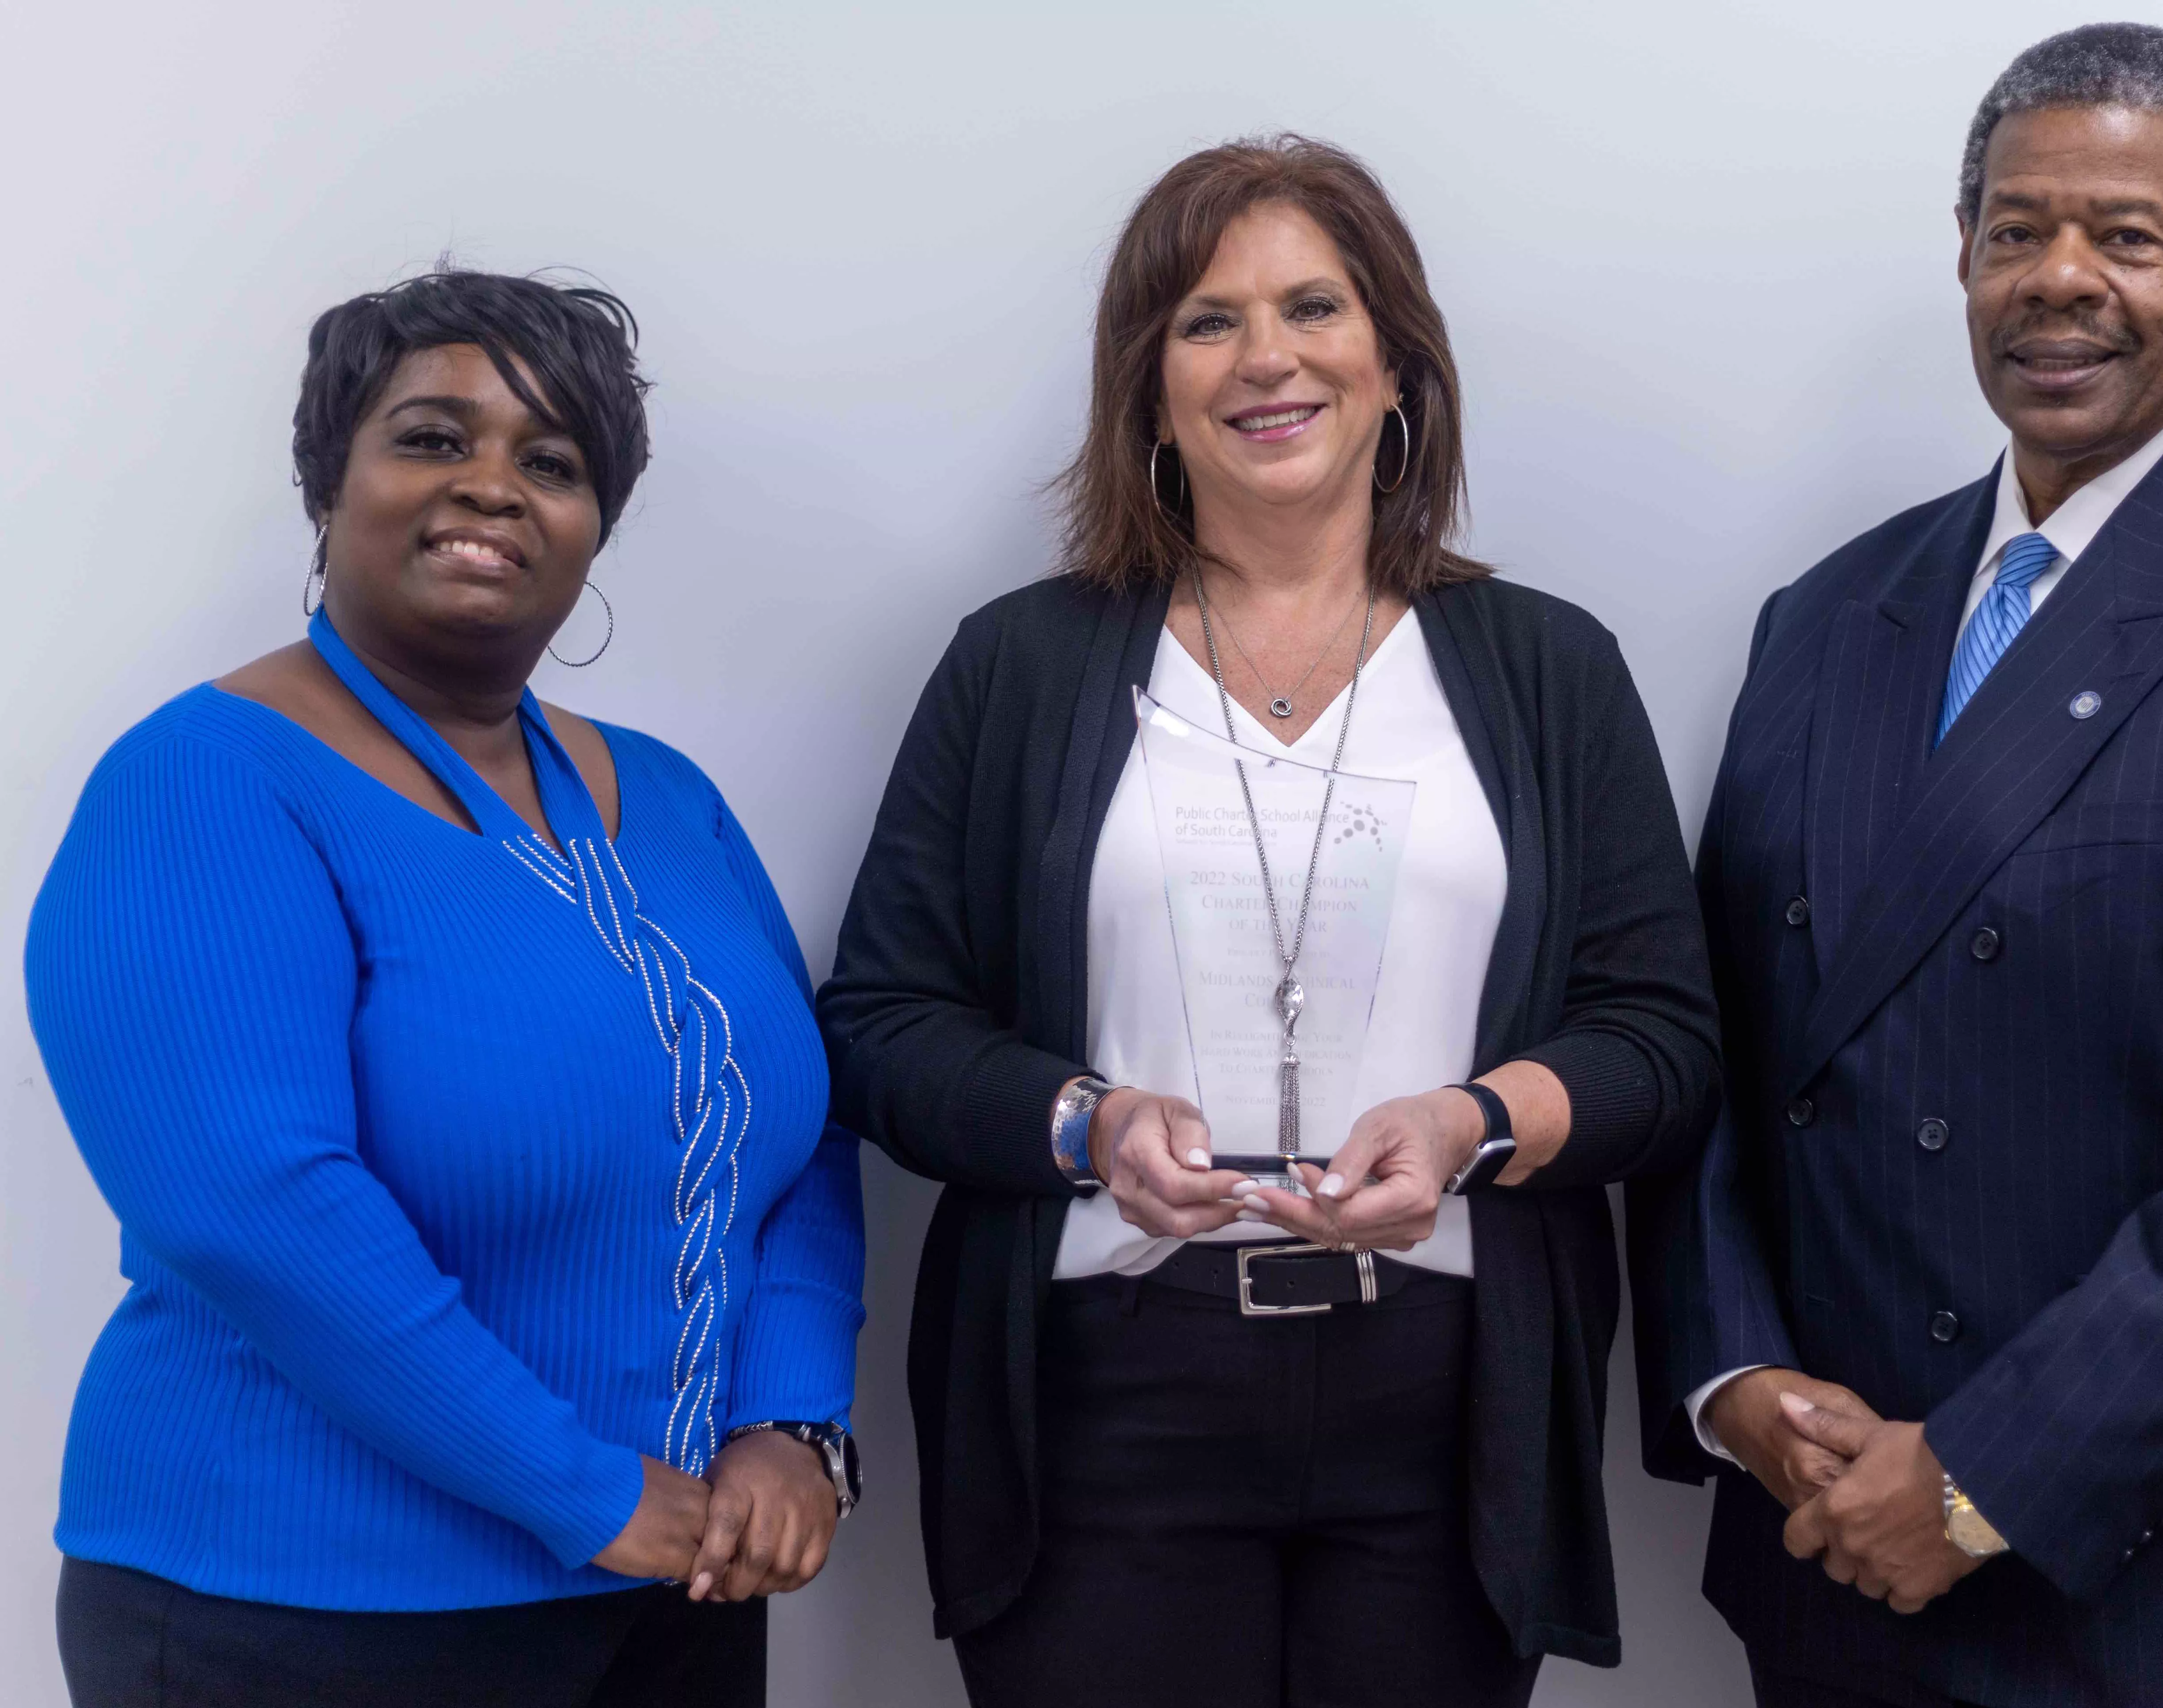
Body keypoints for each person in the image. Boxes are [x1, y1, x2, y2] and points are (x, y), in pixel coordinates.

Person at [1629, 24, 2163, 1708]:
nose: (2062, 282)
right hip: (1845, 1573)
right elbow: (1715, 1046)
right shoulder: (1825, 622)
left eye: (2127, 236)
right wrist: (1735, 1369)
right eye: (2019, 230)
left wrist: (1980, 1480)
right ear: (1959, 253)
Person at [820, 135, 1716, 1707]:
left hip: (1451, 1405)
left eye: (1315, 306)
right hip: (1108, 1396)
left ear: (1397, 366)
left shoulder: (1547, 668)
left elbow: (1667, 1038)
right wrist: (1085, 1123)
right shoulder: (1019, 666)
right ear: (1149, 384)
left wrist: (1471, 1120)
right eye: (1208, 320)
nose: (1267, 358)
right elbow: (886, 1025)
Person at [27, 270, 867, 1708]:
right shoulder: (201, 786)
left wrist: (794, 1422)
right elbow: (260, 1208)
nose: (492, 486)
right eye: (431, 437)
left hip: (676, 1582)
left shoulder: (668, 799)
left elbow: (799, 1127)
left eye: (551, 462)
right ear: (328, 479)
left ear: (595, 527)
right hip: (302, 1611)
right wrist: (583, 1489)